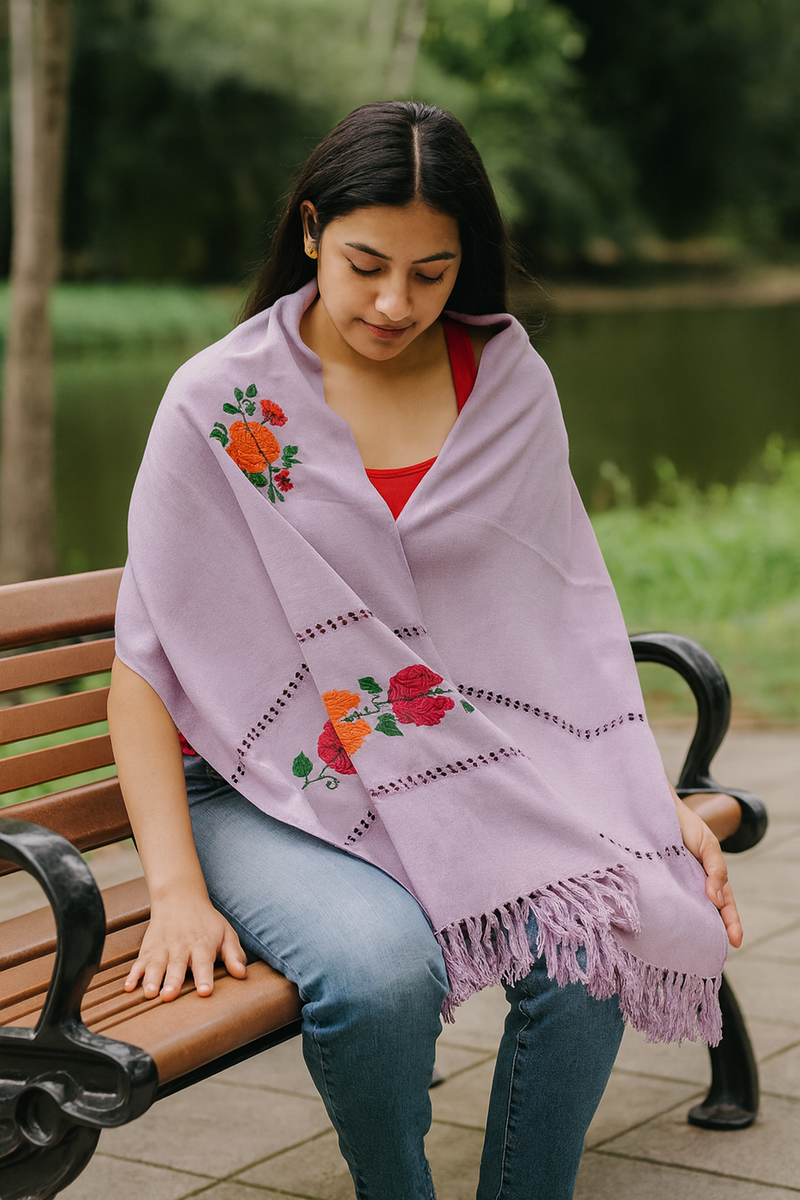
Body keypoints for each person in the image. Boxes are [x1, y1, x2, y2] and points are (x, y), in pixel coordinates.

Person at [108, 101, 742, 1200]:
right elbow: (144, 666)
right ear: (310, 232)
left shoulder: (503, 386)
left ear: (467, 266)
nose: (394, 303)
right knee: (378, 974)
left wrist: (637, 798)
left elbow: (557, 628)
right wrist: (172, 887)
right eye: (365, 265)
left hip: (468, 765)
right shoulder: (221, 403)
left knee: (595, 929)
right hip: (261, 789)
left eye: (431, 273)